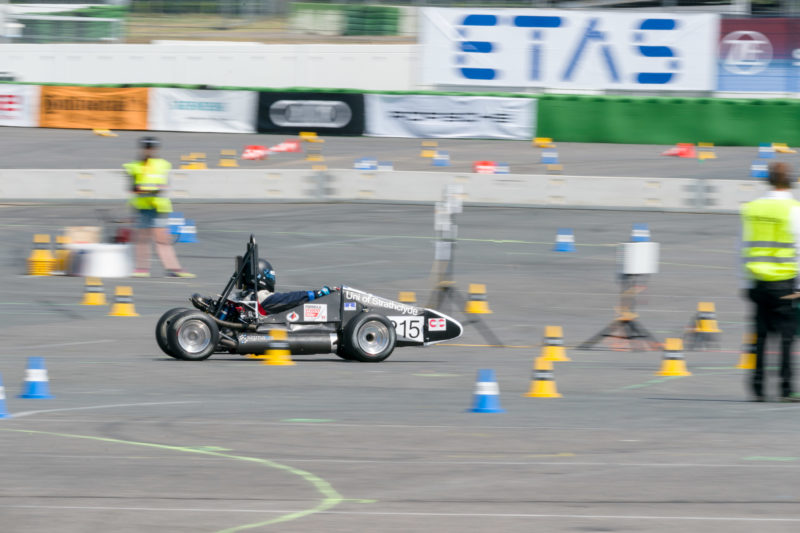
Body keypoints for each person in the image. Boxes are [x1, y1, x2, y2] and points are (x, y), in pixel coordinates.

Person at [741, 161, 800, 402]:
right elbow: (798, 248)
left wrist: (745, 282)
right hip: (785, 282)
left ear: (767, 180)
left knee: (761, 336)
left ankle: (757, 387)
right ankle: (786, 388)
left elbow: (741, 247)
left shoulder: (752, 208)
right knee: (787, 337)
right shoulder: (794, 209)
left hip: (758, 281)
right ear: (791, 181)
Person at [124, 136, 194, 278]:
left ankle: (173, 268)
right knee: (142, 239)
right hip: (142, 207)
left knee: (162, 239)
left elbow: (164, 185)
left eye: (151, 148)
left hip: (158, 207)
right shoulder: (133, 166)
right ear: (142, 149)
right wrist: (147, 189)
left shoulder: (162, 165)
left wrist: (148, 188)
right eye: (147, 148)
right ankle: (141, 268)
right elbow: (132, 188)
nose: (149, 151)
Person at [250, 258, 332, 315]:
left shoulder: (247, 295)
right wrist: (315, 294)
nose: (271, 280)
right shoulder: (260, 297)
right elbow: (287, 299)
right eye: (270, 277)